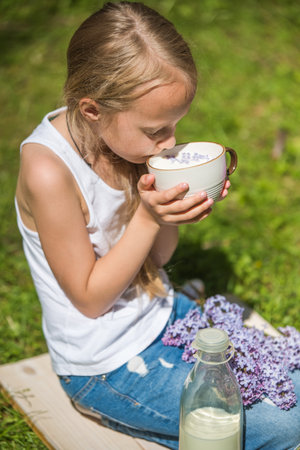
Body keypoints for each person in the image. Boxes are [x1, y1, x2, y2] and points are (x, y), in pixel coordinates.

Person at [15, 2, 300, 449]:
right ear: (92, 110)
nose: (169, 143)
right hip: (104, 363)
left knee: (292, 382)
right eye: (156, 131)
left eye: (176, 126)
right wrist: (150, 217)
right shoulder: (48, 171)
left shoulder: (123, 135)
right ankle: (124, 416)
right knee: (285, 427)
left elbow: (157, 259)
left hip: (163, 314)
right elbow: (90, 300)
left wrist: (175, 210)